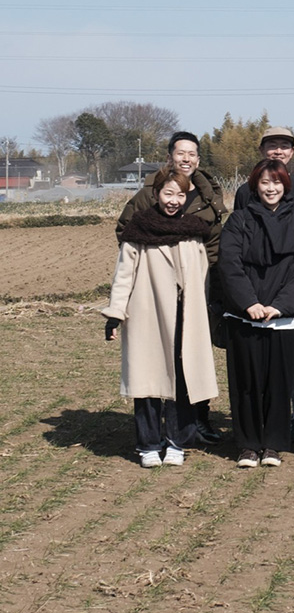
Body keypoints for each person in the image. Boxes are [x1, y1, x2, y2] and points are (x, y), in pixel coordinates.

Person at [115, 131, 226, 445]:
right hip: (154, 288)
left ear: (199, 159)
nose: (186, 159)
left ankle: (195, 423)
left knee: (192, 356)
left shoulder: (208, 194)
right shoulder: (149, 192)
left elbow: (216, 239)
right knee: (157, 357)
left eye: (192, 154)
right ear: (170, 156)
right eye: (181, 153)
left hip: (200, 283)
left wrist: (210, 277)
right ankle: (155, 432)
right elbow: (126, 232)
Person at [103, 167, 218, 468]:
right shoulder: (140, 229)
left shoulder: (194, 230)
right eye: (168, 193)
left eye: (180, 194)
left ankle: (178, 441)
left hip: (187, 315)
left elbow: (203, 274)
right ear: (155, 194)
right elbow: (123, 275)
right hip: (148, 314)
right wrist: (115, 314)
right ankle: (149, 444)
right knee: (148, 382)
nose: (174, 200)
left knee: (184, 380)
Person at [219, 160, 294, 468]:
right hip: (244, 315)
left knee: (278, 382)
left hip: (282, 317)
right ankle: (248, 445)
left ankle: (272, 444)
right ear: (254, 186)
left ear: (285, 185)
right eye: (264, 182)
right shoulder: (239, 220)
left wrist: (280, 305)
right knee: (246, 382)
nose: (270, 188)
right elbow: (230, 265)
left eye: (276, 182)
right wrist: (249, 303)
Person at [234, 127, 294, 444]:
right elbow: (239, 242)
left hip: (291, 289)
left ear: (292, 153)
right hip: (255, 292)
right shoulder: (246, 191)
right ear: (262, 150)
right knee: (256, 359)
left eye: (284, 146)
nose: (278, 151)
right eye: (272, 146)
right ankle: (260, 420)